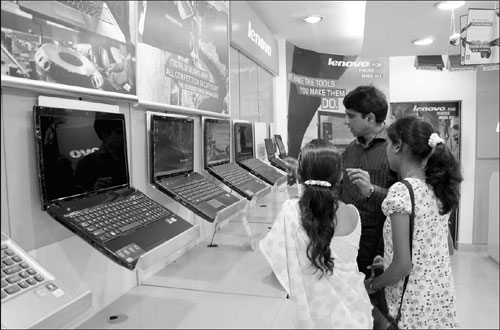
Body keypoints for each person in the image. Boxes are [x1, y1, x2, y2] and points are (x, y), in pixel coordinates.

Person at [259, 139, 373, 329]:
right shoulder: (353, 214)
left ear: (300, 174)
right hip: (356, 317)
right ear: (340, 177)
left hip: (312, 318)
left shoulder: (290, 212)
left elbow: (277, 264)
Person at [365, 116, 462, 329]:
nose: (387, 149)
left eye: (389, 144)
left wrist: (372, 285)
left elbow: (403, 265)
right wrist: (389, 259)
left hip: (410, 303)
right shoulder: (439, 188)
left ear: (398, 146)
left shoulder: (402, 191)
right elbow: (444, 247)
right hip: (438, 299)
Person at [340, 85, 398, 280]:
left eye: (351, 116)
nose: (346, 121)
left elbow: (407, 199)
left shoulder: (396, 148)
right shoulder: (350, 149)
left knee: (371, 297)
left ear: (370, 118)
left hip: (378, 241)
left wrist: (372, 191)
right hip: (347, 236)